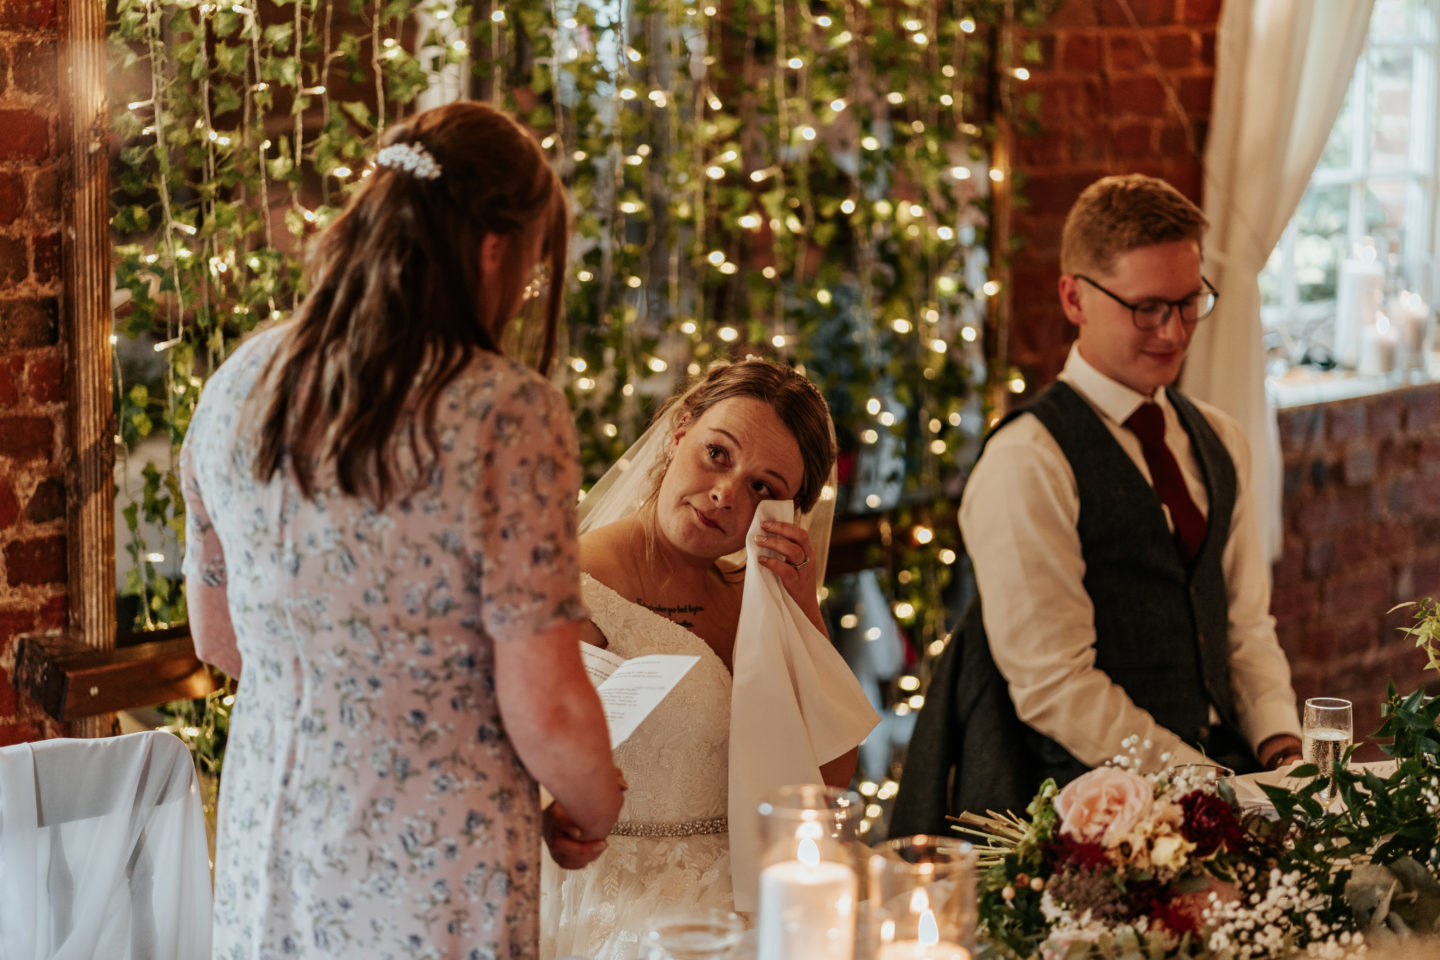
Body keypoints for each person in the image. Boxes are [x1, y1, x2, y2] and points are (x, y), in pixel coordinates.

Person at [180, 101, 625, 960]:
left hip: (269, 853)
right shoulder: (503, 412)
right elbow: (549, 706)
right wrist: (591, 804)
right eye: (533, 266)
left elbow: (218, 636)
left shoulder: (239, 382)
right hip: (432, 873)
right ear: (494, 249)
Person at [890, 174, 1303, 835]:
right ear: (1075, 297)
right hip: (1078, 808)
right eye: (1147, 308)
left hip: (1222, 777)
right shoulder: (1028, 460)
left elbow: (1245, 626)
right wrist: (1203, 783)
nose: (1173, 331)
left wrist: (1281, 746)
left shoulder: (1220, 438)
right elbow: (1056, 685)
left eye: (1190, 302)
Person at [539, 359, 879, 960]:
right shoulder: (570, 582)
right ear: (678, 435)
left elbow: (828, 779)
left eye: (762, 488)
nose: (726, 493)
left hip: (754, 884)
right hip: (623, 908)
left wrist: (803, 611)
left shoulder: (758, 598)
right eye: (717, 454)